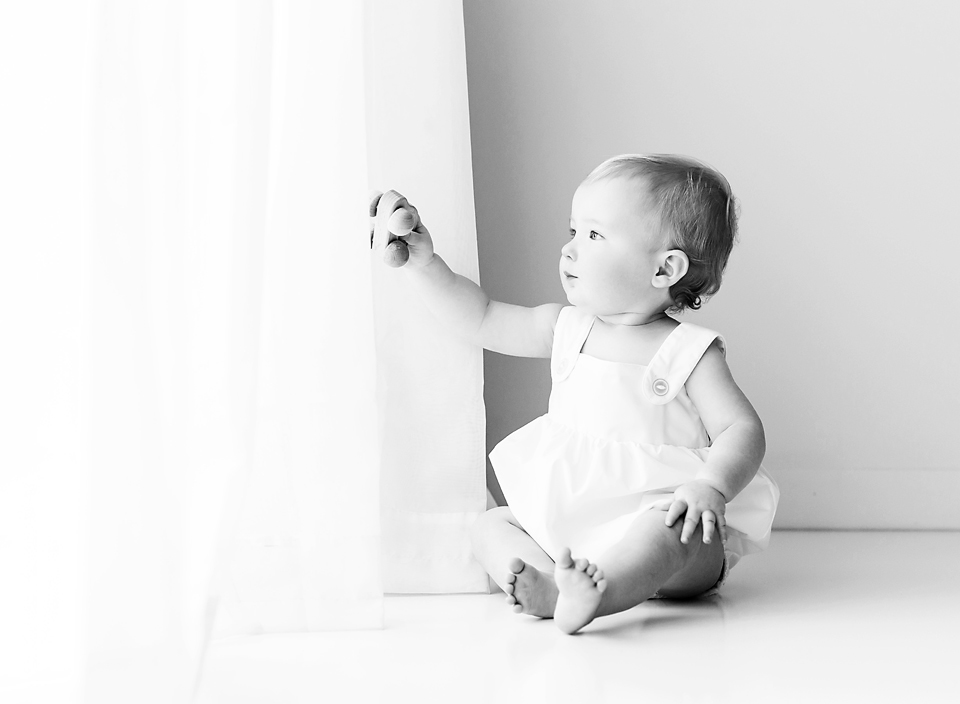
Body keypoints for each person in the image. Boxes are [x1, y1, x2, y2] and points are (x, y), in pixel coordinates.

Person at [369, 154, 779, 635]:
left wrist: (710, 487)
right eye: (573, 232)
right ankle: (552, 586)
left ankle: (598, 592)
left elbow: (741, 428)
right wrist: (426, 264)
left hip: (665, 521)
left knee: (667, 530)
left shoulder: (688, 351)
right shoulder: (565, 328)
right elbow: (480, 317)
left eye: (594, 236)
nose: (570, 250)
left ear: (665, 268)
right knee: (489, 527)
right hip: (573, 532)